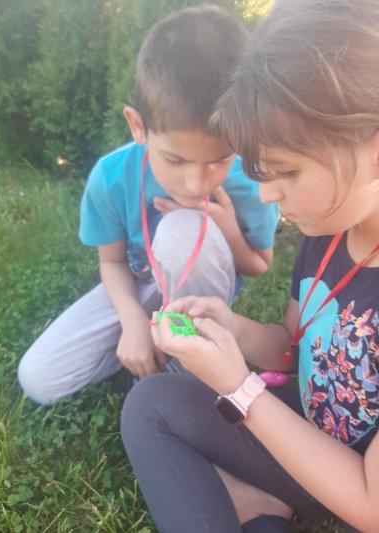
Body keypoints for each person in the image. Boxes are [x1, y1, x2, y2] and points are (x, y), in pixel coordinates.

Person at [121, 0, 379, 532]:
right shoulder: (328, 233)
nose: (264, 194)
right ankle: (262, 511)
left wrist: (242, 389)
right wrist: (234, 329)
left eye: (285, 171)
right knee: (151, 406)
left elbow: (371, 505)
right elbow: (294, 347)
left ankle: (256, 505)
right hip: (300, 431)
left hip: (351, 482)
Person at [17, 4, 278, 405]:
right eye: (175, 159)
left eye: (219, 160)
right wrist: (132, 321)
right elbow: (112, 263)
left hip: (200, 298)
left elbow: (259, 263)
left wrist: (227, 228)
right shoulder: (111, 177)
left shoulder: (248, 180)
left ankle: (189, 366)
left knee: (181, 231)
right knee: (38, 377)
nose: (197, 183)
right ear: (138, 126)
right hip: (140, 284)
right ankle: (148, 347)